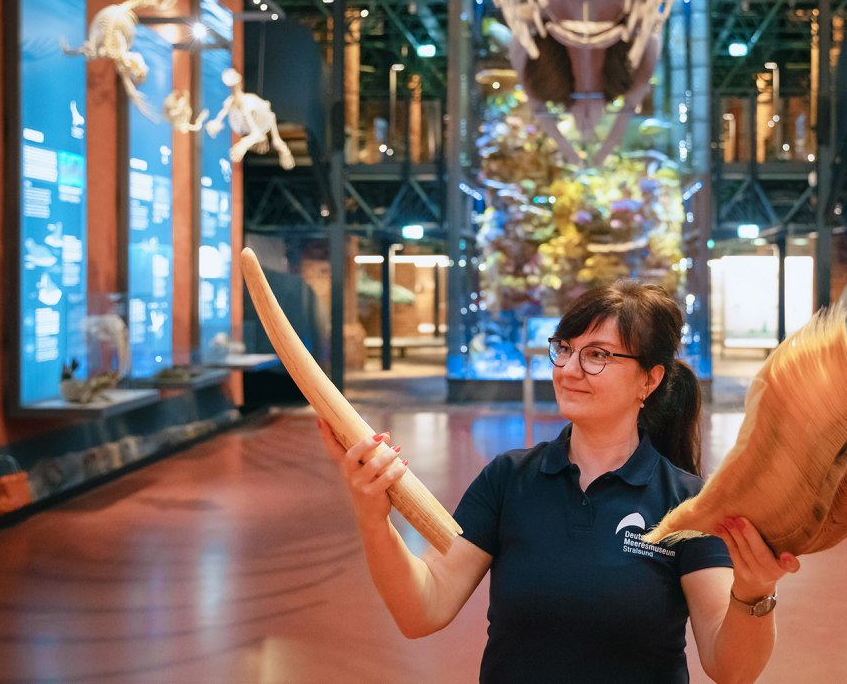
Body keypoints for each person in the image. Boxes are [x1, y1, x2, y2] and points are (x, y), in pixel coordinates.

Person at [318, 280, 801, 683]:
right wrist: (371, 514)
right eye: (565, 350)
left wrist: (754, 594)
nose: (569, 370)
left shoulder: (689, 503)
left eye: (597, 355)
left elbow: (729, 667)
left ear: (649, 382)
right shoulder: (509, 479)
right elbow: (421, 609)